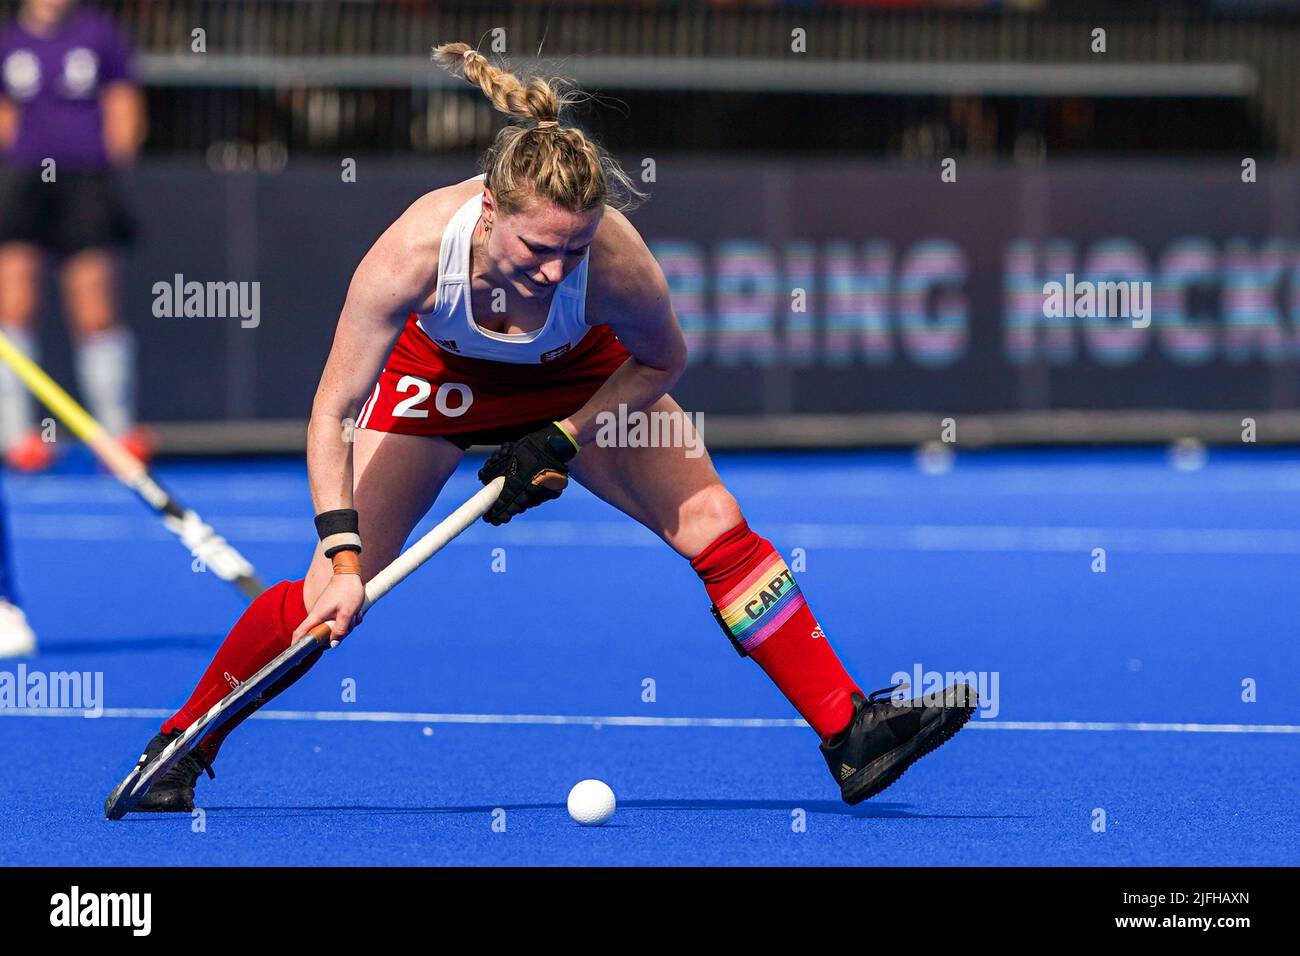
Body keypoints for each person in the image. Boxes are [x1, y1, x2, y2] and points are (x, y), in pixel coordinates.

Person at [111, 43, 976, 813]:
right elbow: (331, 410)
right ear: (490, 213)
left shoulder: (615, 261)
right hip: (439, 382)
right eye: (538, 249)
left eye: (577, 246)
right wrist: (342, 559)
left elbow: (663, 362)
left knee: (715, 524)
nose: (556, 268)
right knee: (328, 599)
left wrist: (563, 437)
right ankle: (184, 743)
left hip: (580, 378)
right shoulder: (414, 251)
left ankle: (847, 732)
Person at [0, 0, 150, 472]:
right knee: (15, 305)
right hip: (20, 181)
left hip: (85, 181)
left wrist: (109, 164)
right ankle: (16, 436)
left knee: (94, 308)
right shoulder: (8, 39)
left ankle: (115, 434)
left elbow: (123, 104)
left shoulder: (99, 34)